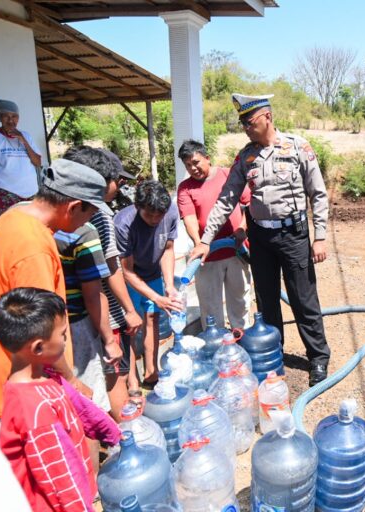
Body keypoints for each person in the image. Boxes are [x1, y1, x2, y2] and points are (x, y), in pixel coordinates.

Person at [189, 93, 331, 387]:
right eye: (242, 124)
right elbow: (226, 199)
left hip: (293, 234)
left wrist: (320, 237)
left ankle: (317, 357)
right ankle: (273, 353)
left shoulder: (298, 147)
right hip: (260, 237)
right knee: (266, 301)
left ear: (267, 117)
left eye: (250, 122)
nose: (246, 128)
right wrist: (205, 240)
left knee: (303, 299)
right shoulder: (246, 157)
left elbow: (317, 194)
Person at [0, 158, 108, 418]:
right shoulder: (33, 246)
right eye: (90, 214)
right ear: (73, 207)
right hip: (32, 390)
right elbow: (41, 330)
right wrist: (71, 380)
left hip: (3, 370)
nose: (86, 223)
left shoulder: (10, 218)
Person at [0, 287, 120, 511]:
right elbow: (60, 483)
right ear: (39, 347)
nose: (65, 341)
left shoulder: (46, 375)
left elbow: (82, 409)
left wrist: (116, 436)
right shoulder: (34, 411)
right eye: (63, 335)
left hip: (80, 491)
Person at [58, 146, 142, 422]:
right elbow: (110, 269)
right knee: (110, 374)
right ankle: (123, 438)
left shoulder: (47, 216)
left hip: (74, 316)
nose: (119, 187)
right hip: (97, 313)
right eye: (117, 180)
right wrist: (128, 309)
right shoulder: (97, 217)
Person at [177, 139, 252, 329]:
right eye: (188, 165)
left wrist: (242, 229)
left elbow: (250, 204)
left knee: (240, 302)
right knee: (210, 308)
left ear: (207, 158)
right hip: (206, 257)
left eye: (196, 162)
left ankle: (241, 338)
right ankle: (216, 345)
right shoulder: (185, 188)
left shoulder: (229, 175)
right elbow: (189, 218)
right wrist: (199, 242)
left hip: (236, 251)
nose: (193, 168)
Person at [115, 180, 180, 386]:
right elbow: (126, 271)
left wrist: (169, 286)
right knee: (131, 327)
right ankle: (132, 381)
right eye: (149, 214)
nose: (154, 219)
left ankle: (151, 372)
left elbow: (168, 250)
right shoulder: (123, 223)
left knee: (152, 319)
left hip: (153, 274)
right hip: (130, 280)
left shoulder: (169, 212)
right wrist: (155, 297)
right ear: (138, 207)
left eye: (158, 215)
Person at [0, 99, 42, 213]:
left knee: (31, 226)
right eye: (6, 116)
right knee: (12, 227)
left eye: (14, 116)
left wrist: (23, 140)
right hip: (7, 192)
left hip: (31, 192)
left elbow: (37, 162)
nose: (11, 120)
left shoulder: (26, 136)